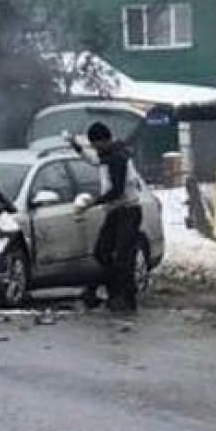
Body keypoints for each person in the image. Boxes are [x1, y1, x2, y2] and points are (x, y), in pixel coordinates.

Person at [66, 122, 145, 314]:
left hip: (128, 210)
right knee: (102, 252)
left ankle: (125, 298)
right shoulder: (106, 155)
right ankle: (113, 290)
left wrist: (93, 202)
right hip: (115, 211)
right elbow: (94, 160)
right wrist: (77, 147)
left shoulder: (118, 159)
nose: (95, 149)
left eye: (96, 144)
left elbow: (117, 190)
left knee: (124, 257)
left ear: (104, 141)